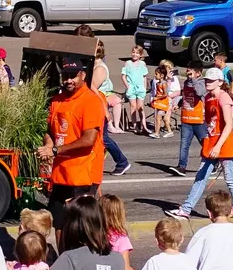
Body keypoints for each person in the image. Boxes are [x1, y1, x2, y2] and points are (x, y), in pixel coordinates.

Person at [37, 54, 107, 242]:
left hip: (83, 174)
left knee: (81, 227)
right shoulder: (56, 100)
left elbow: (89, 140)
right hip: (61, 173)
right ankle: (63, 263)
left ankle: (81, 265)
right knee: (59, 223)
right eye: (65, 75)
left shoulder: (91, 101)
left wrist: (55, 151)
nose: (68, 80)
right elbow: (49, 131)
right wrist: (49, 144)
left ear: (82, 75)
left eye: (72, 75)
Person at [166, 68, 233, 220]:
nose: (207, 82)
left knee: (230, 177)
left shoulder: (224, 97)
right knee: (201, 176)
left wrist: (218, 146)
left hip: (224, 141)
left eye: (211, 81)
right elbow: (209, 123)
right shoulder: (208, 97)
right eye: (207, 80)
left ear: (220, 82)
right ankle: (186, 210)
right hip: (212, 140)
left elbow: (228, 125)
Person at [89, 38, 130, 175]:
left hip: (100, 104)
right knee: (94, 137)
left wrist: (106, 110)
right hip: (94, 105)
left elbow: (93, 88)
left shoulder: (100, 68)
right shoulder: (93, 64)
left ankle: (122, 162)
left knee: (103, 138)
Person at [172, 60, 207, 176]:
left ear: (198, 73)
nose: (188, 72)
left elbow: (199, 92)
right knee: (184, 144)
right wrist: (179, 103)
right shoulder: (187, 82)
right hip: (186, 119)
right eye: (187, 69)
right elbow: (185, 96)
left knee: (205, 142)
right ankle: (182, 166)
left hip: (199, 120)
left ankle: (214, 162)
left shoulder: (201, 82)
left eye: (191, 70)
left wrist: (194, 80)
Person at [121, 45, 149, 134]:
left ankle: (143, 125)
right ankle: (134, 126)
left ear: (140, 55)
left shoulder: (142, 64)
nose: (135, 54)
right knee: (133, 106)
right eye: (133, 52)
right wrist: (128, 86)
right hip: (131, 87)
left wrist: (144, 88)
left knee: (140, 107)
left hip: (140, 88)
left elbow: (144, 76)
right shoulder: (128, 63)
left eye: (137, 53)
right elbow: (123, 76)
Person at [149, 65, 172, 139]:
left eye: (156, 74)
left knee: (158, 118)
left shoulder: (164, 83)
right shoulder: (157, 83)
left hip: (163, 103)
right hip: (159, 102)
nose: (155, 75)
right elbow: (158, 93)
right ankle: (169, 131)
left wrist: (157, 97)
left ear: (162, 75)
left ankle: (157, 133)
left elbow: (165, 94)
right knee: (163, 119)